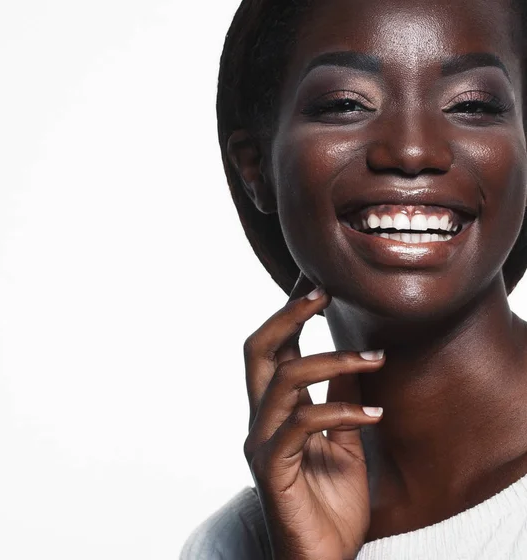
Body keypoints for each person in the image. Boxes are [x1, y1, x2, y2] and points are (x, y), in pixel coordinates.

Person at [181, 0, 527, 557]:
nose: (412, 150)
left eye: (473, 105)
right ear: (256, 168)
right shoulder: (239, 542)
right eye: (345, 104)